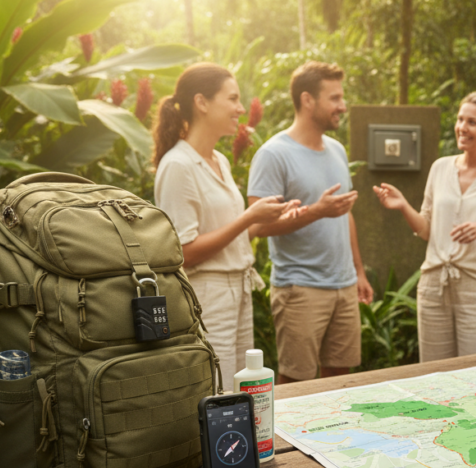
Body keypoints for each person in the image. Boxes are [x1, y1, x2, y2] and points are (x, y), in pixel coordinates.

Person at [153, 63, 301, 384]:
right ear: (201, 103)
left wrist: (268, 219)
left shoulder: (219, 160)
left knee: (238, 387)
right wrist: (249, 217)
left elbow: (231, 235)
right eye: (232, 99)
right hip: (207, 294)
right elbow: (183, 252)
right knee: (214, 386)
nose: (241, 108)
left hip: (239, 288)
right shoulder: (178, 165)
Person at [373, 92, 476, 361]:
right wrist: (403, 206)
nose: (462, 127)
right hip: (434, 287)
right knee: (433, 376)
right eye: (460, 119)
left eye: (472, 122)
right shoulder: (440, 168)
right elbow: (426, 230)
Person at [247, 61, 373, 383]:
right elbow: (256, 227)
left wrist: (358, 271)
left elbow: (344, 213)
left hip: (344, 287)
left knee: (339, 383)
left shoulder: (337, 150)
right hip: (299, 289)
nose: (342, 106)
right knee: (296, 384)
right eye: (334, 98)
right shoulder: (273, 154)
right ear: (307, 100)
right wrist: (317, 211)